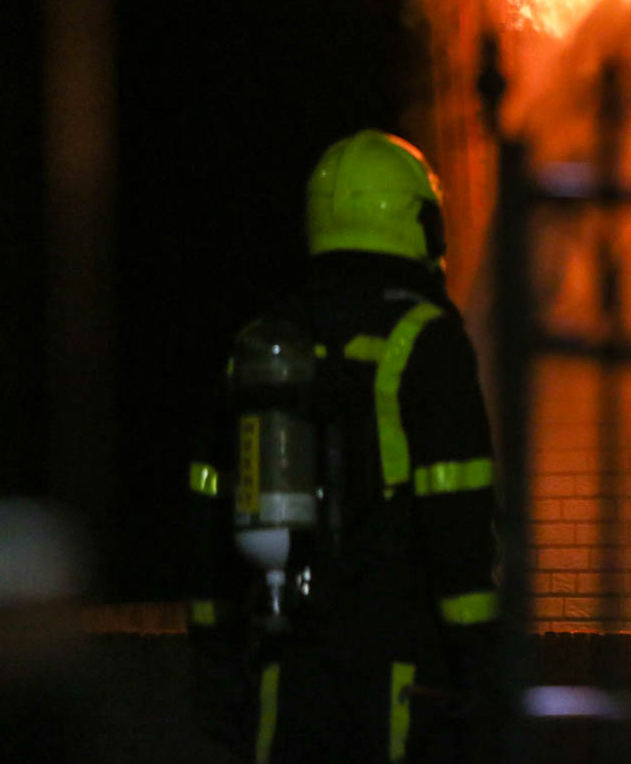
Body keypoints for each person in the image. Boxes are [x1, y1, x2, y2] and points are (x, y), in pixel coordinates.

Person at [185, 131, 499, 762]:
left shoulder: (263, 345)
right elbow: (456, 518)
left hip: (280, 663)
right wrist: (480, 665)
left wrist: (215, 655)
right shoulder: (426, 341)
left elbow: (209, 507)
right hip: (395, 675)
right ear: (412, 222)